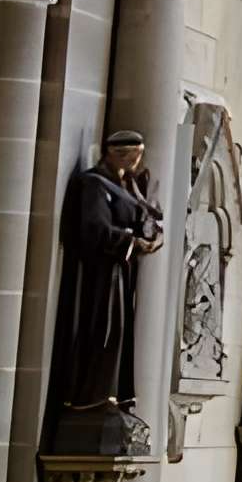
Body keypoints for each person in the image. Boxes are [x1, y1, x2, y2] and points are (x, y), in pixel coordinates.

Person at [50, 132, 162, 437]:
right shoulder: (94, 185)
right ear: (115, 154)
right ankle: (91, 398)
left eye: (138, 157)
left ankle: (113, 396)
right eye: (131, 157)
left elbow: (147, 219)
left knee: (121, 334)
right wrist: (131, 240)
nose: (136, 163)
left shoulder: (128, 188)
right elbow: (94, 228)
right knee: (104, 330)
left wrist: (150, 234)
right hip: (100, 275)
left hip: (121, 273)